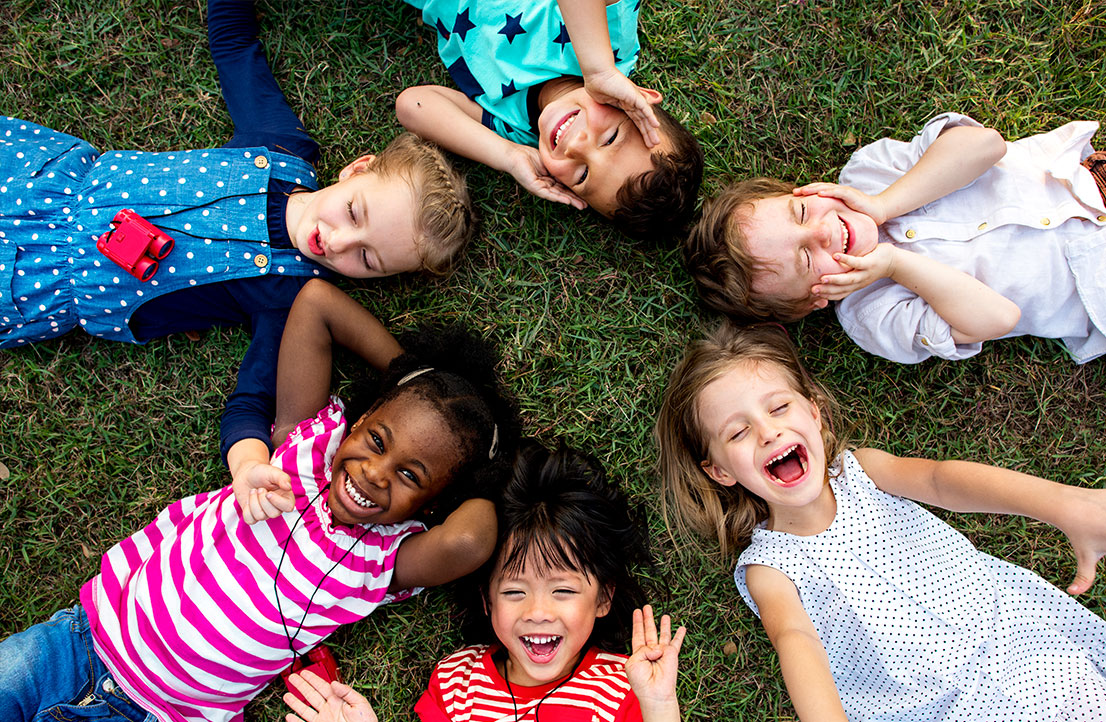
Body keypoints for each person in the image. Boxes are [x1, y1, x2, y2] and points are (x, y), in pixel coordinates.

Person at [0, 278, 520, 722]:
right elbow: (316, 303)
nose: (375, 473)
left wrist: (494, 471)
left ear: (431, 505)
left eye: (410, 475)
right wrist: (410, 376)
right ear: (358, 422)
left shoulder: (382, 562)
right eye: (378, 440)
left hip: (167, 714)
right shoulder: (303, 450)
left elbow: (472, 538)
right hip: (79, 642)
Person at [0, 0, 474, 475]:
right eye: (354, 212)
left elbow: (251, 399)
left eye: (367, 259)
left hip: (39, 281)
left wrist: (249, 465)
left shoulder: (288, 299)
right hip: (39, 181)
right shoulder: (279, 144)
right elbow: (234, 47)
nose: (338, 241)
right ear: (357, 169)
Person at [654, 322, 1106, 721]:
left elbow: (941, 479)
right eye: (737, 432)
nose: (768, 431)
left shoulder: (862, 472)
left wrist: (1064, 505)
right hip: (936, 709)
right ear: (720, 471)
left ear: (814, 412)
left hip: (1021, 645)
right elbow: (796, 642)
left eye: (778, 408)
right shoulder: (769, 568)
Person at [284, 440, 686, 722]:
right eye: (514, 591)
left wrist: (660, 705)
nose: (538, 612)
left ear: (604, 599)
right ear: (487, 599)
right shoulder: (458, 682)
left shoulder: (624, 685)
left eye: (563, 590)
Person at [683, 112, 1106, 363]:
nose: (824, 230)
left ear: (805, 189)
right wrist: (895, 264)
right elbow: (999, 319)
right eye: (808, 259)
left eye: (802, 212)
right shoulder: (873, 316)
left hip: (1088, 180)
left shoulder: (870, 172)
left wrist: (886, 204)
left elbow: (985, 145)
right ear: (817, 299)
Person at [395, 0, 703, 240]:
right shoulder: (611, 47)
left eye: (582, 175)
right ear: (639, 99)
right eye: (610, 138)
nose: (577, 147)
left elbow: (413, 105)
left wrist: (509, 156)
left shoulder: (515, 129)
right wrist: (598, 69)